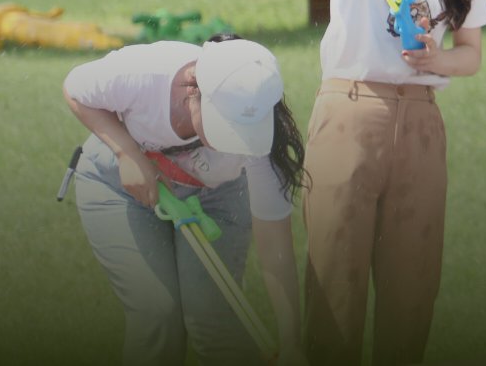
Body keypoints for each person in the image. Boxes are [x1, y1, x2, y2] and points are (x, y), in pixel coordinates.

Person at [305, 0, 486, 366]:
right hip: (350, 112)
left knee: (413, 287)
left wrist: (437, 59)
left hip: (422, 120)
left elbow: (471, 57)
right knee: (334, 281)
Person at [65, 35, 307, 365]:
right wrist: (127, 153)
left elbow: (275, 248)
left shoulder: (264, 143)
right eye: (225, 126)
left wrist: (291, 342)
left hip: (217, 195)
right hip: (118, 187)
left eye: (243, 129)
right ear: (194, 89)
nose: (232, 141)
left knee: (214, 317)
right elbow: (76, 88)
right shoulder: (146, 73)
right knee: (157, 315)